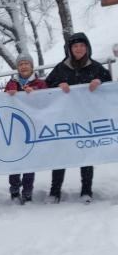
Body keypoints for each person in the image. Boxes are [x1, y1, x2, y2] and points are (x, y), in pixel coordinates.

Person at [45, 32, 112, 204]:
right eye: (75, 46)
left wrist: (99, 81)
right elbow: (47, 85)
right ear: (70, 49)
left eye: (82, 45)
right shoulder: (61, 67)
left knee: (86, 154)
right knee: (61, 155)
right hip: (65, 120)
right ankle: (54, 191)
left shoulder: (95, 67)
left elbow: (110, 83)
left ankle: (86, 191)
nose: (79, 49)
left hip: (87, 119)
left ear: (87, 48)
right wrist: (58, 85)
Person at [5, 52, 47, 204]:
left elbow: (47, 101)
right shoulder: (11, 83)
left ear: (31, 66)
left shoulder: (40, 83)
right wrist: (9, 94)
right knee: (14, 159)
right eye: (21, 64)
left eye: (26, 63)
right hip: (15, 128)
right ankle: (14, 189)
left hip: (33, 127)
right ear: (17, 67)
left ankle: (27, 190)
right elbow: (3, 102)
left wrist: (35, 95)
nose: (23, 66)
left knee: (29, 160)